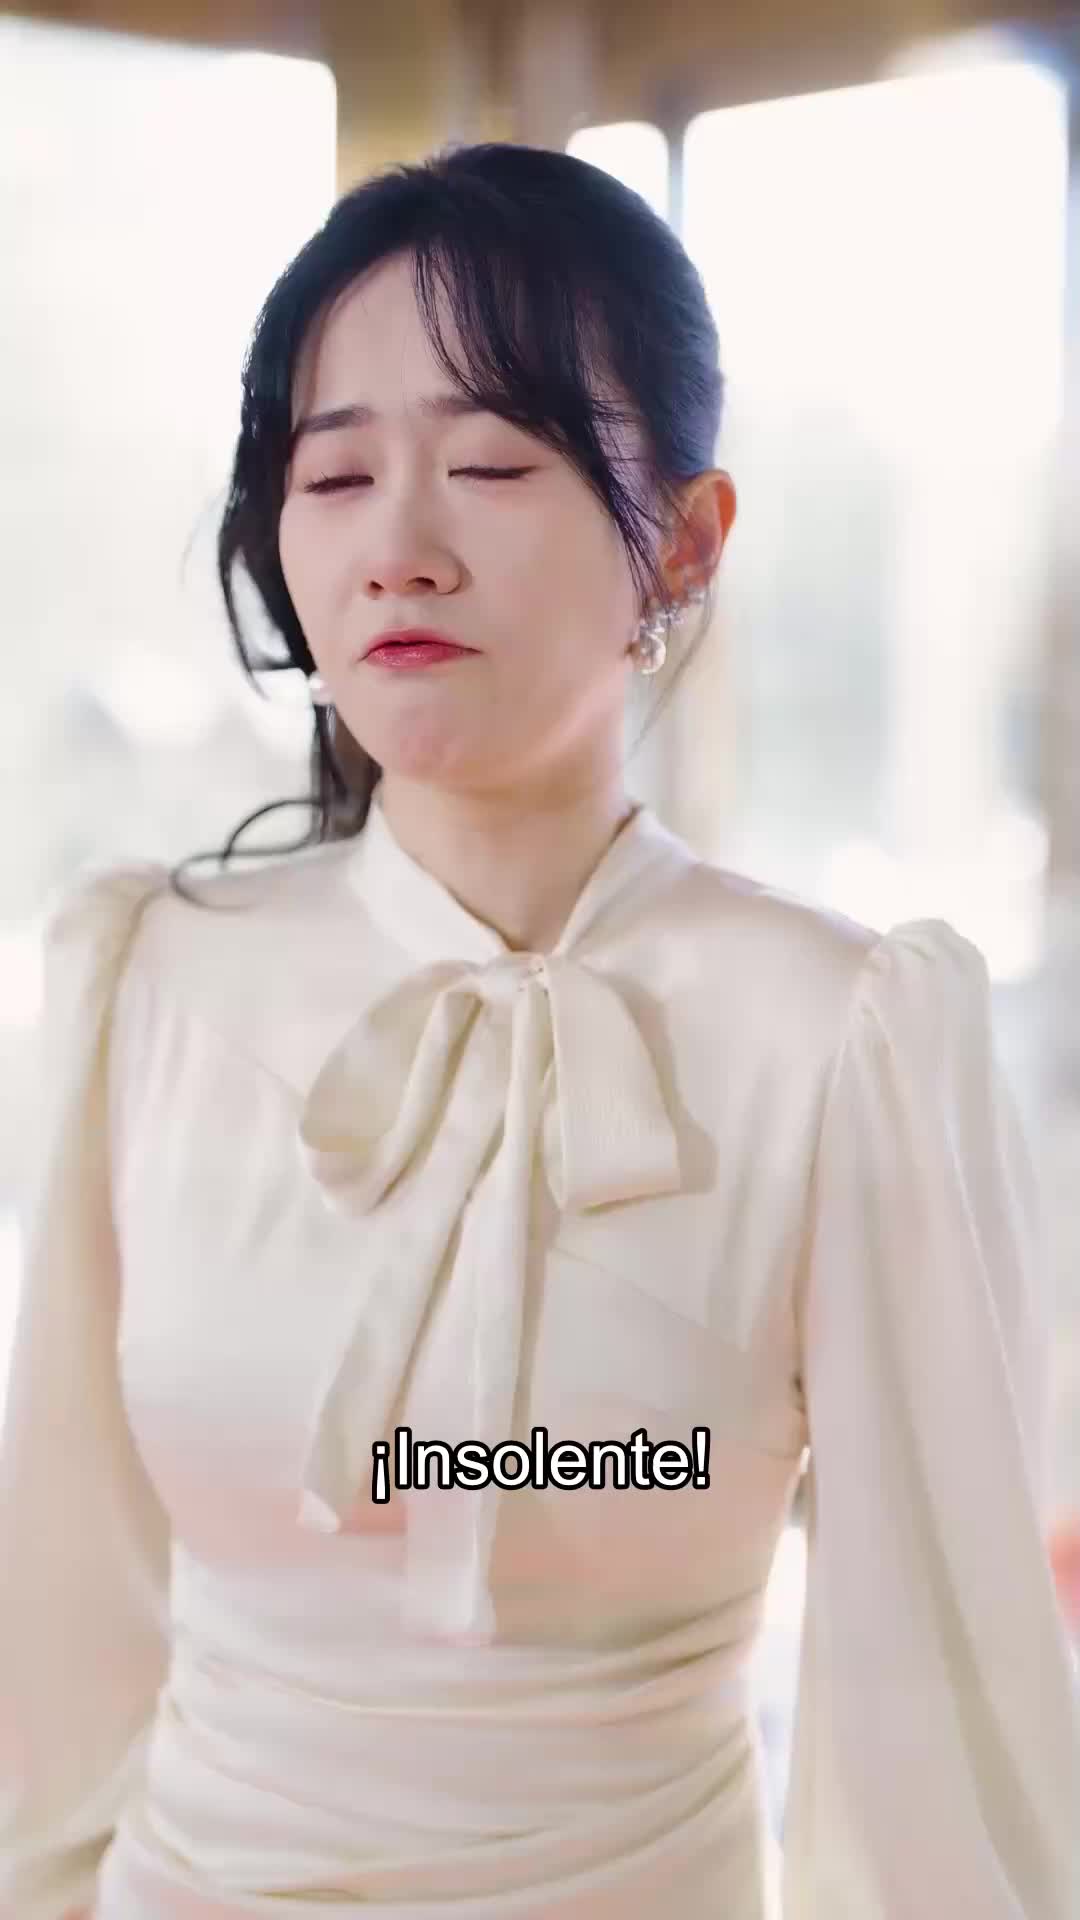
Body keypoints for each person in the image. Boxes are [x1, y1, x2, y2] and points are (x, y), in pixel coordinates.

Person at [2, 140, 1077, 1920]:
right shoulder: (150, 980)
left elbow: (931, 1719)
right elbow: (58, 1642)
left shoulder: (845, 1036)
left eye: (494, 464)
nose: (399, 550)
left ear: (686, 541)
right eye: (335, 475)